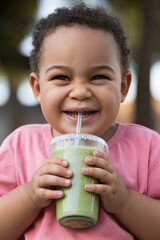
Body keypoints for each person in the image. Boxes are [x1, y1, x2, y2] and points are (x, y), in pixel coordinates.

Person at [0, 3, 160, 240]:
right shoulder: (20, 147)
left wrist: (125, 201)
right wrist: (30, 196)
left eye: (98, 77)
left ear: (123, 87)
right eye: (61, 77)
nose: (80, 91)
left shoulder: (147, 148)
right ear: (37, 87)